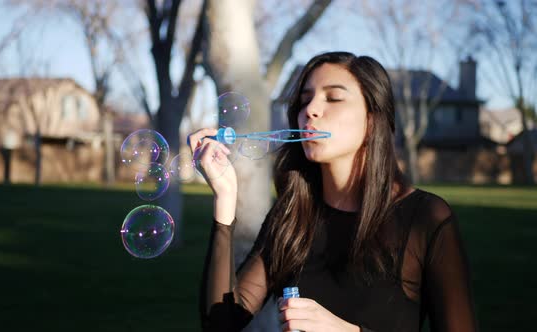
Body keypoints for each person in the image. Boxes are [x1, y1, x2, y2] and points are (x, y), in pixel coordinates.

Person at [190, 52, 477, 332]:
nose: (310, 110)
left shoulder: (424, 218)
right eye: (304, 101)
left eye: (334, 97)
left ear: (373, 118)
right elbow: (221, 322)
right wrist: (225, 199)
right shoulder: (291, 216)